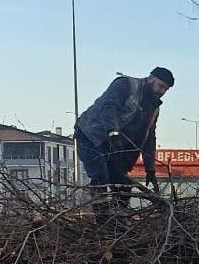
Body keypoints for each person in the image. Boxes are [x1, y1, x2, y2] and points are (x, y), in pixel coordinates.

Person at [75, 67, 174, 206]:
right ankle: (103, 221)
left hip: (114, 145)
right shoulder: (126, 85)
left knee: (123, 184)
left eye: (166, 89)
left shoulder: (153, 109)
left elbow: (149, 137)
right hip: (91, 135)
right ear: (151, 78)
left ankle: (119, 217)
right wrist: (113, 132)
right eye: (161, 86)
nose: (162, 92)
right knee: (100, 177)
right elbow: (108, 107)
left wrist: (150, 170)